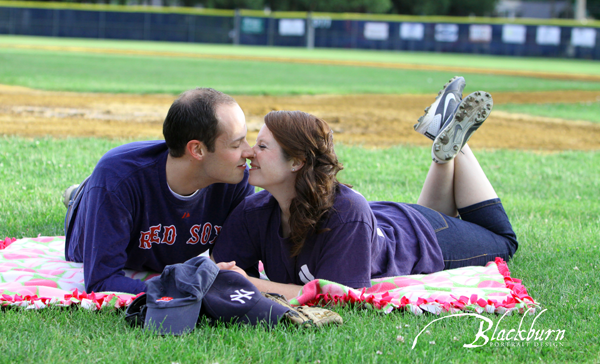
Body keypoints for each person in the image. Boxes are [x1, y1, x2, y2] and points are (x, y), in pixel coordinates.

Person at [212, 77, 518, 300]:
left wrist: (255, 284)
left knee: (504, 241)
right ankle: (444, 135)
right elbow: (219, 273)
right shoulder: (254, 211)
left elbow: (338, 296)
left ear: (296, 162)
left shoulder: (345, 213)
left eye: (262, 146)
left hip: (423, 236)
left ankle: (458, 147)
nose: (250, 152)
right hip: (386, 221)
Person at [63, 88, 255, 294]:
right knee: (100, 193)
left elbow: (237, 273)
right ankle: (77, 195)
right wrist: (182, 289)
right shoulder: (118, 180)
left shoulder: (236, 179)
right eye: (236, 144)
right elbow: (101, 282)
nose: (249, 151)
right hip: (99, 198)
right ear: (197, 150)